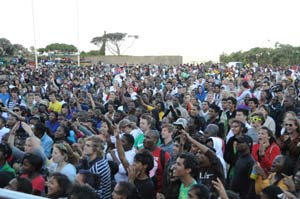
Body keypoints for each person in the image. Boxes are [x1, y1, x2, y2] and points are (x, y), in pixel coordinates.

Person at [230, 135, 255, 199]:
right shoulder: (239, 157)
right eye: (237, 142)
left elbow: (251, 183)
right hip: (234, 193)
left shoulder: (251, 161)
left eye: (241, 142)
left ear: (249, 144)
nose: (238, 144)